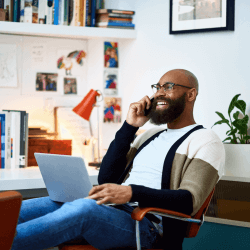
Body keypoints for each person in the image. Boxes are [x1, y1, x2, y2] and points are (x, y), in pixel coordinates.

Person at [11, 69, 225, 250]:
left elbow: (188, 200)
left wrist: (131, 192)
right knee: (18, 209)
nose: (159, 93)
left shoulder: (205, 140)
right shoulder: (149, 135)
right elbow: (107, 177)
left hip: (145, 224)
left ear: (191, 95)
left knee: (84, 209)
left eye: (168, 87)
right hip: (110, 209)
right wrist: (130, 126)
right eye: (157, 87)